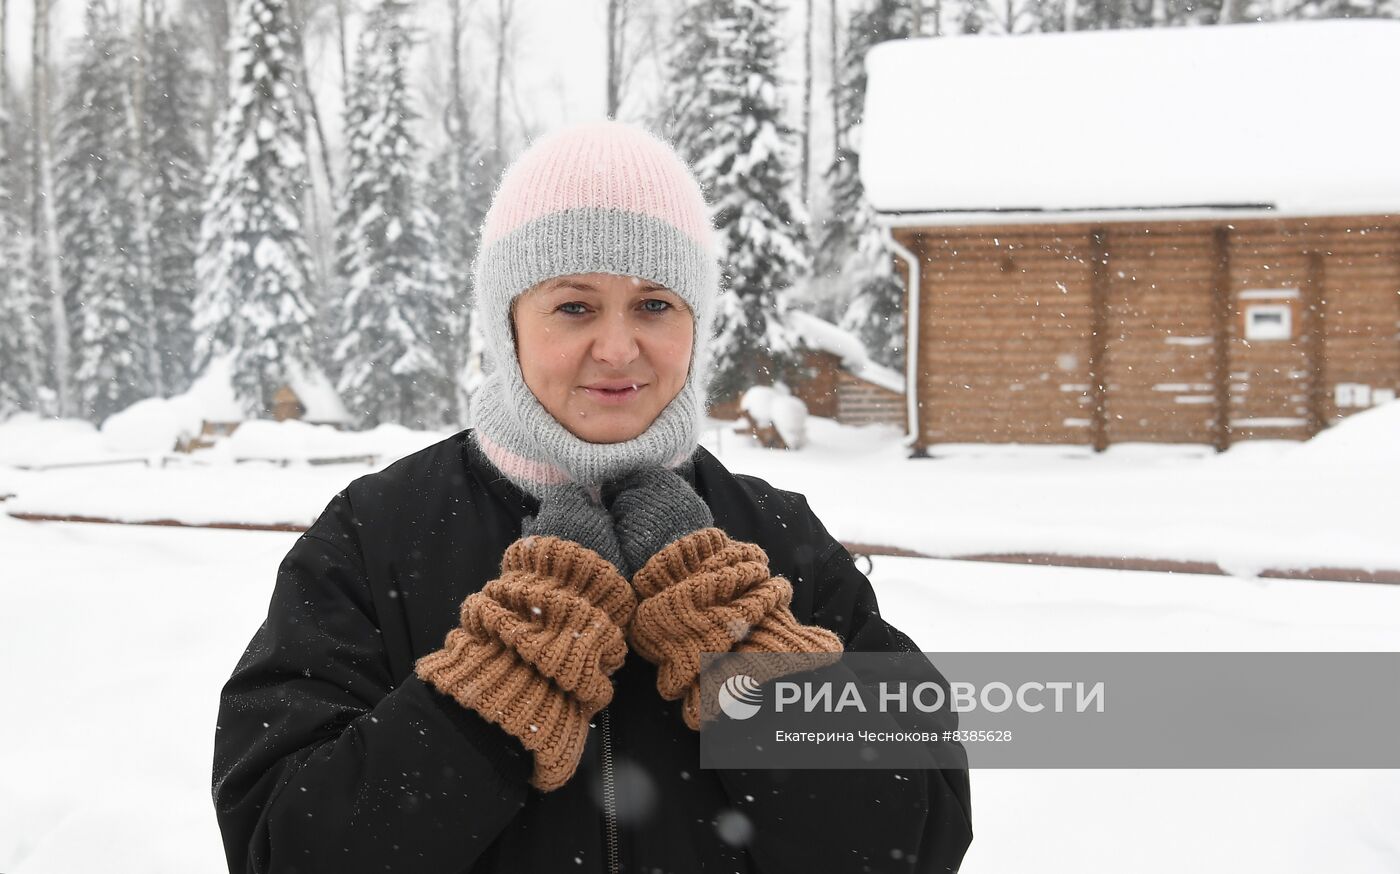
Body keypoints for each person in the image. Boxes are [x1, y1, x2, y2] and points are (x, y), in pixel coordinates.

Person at [211, 120, 972, 873]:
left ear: (696, 324)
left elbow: (919, 841)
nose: (616, 348)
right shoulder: (376, 533)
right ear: (507, 322)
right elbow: (281, 847)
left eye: (654, 305)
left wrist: (753, 668)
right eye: (574, 306)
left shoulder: (775, 536)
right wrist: (502, 687)